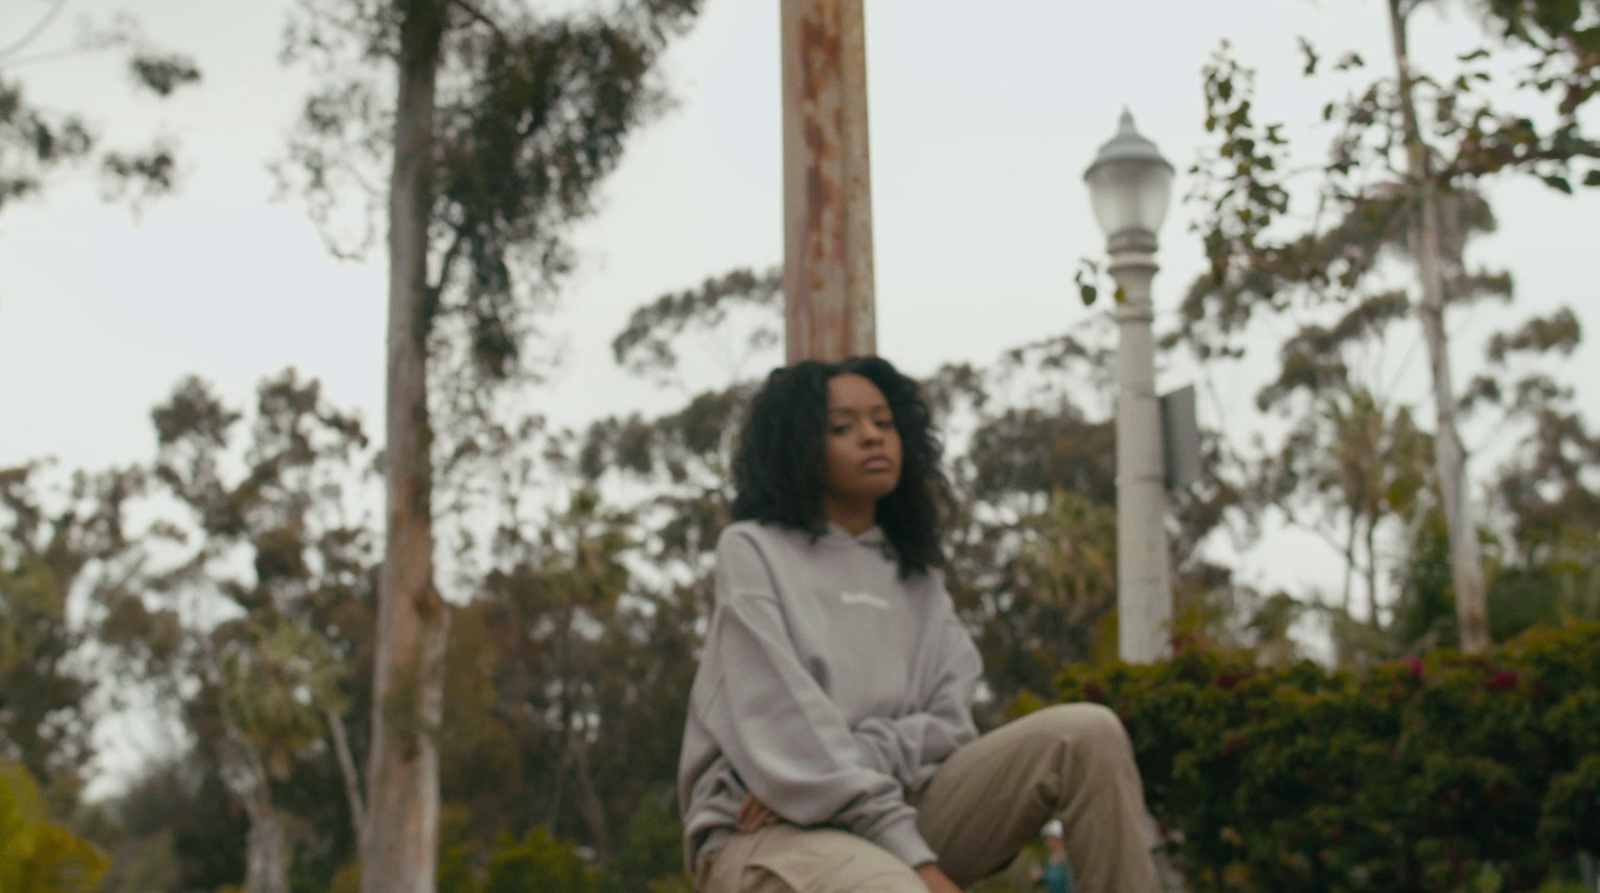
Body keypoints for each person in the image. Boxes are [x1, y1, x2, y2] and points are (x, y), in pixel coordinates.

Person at [677, 357, 1159, 893]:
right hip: (769, 829)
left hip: (890, 806)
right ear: (797, 446)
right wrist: (906, 855)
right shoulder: (752, 551)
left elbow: (950, 727)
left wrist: (837, 769)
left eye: (883, 423)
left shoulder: (917, 575)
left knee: (1087, 733)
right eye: (842, 427)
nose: (871, 437)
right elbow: (784, 729)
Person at [1033, 820, 1075, 893]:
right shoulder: (1050, 858)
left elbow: (1069, 883)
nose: (1047, 843)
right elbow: (1052, 881)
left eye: (1049, 839)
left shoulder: (1067, 859)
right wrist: (1041, 878)